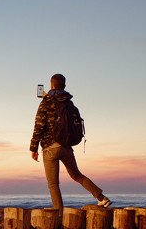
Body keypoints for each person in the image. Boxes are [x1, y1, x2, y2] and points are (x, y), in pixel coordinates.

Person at [30, 73, 112, 210]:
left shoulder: (46, 102)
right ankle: (102, 198)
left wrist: (33, 148)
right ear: (64, 86)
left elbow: (39, 126)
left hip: (50, 148)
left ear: (51, 85)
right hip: (66, 147)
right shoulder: (69, 103)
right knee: (77, 175)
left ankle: (59, 215)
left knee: (53, 185)